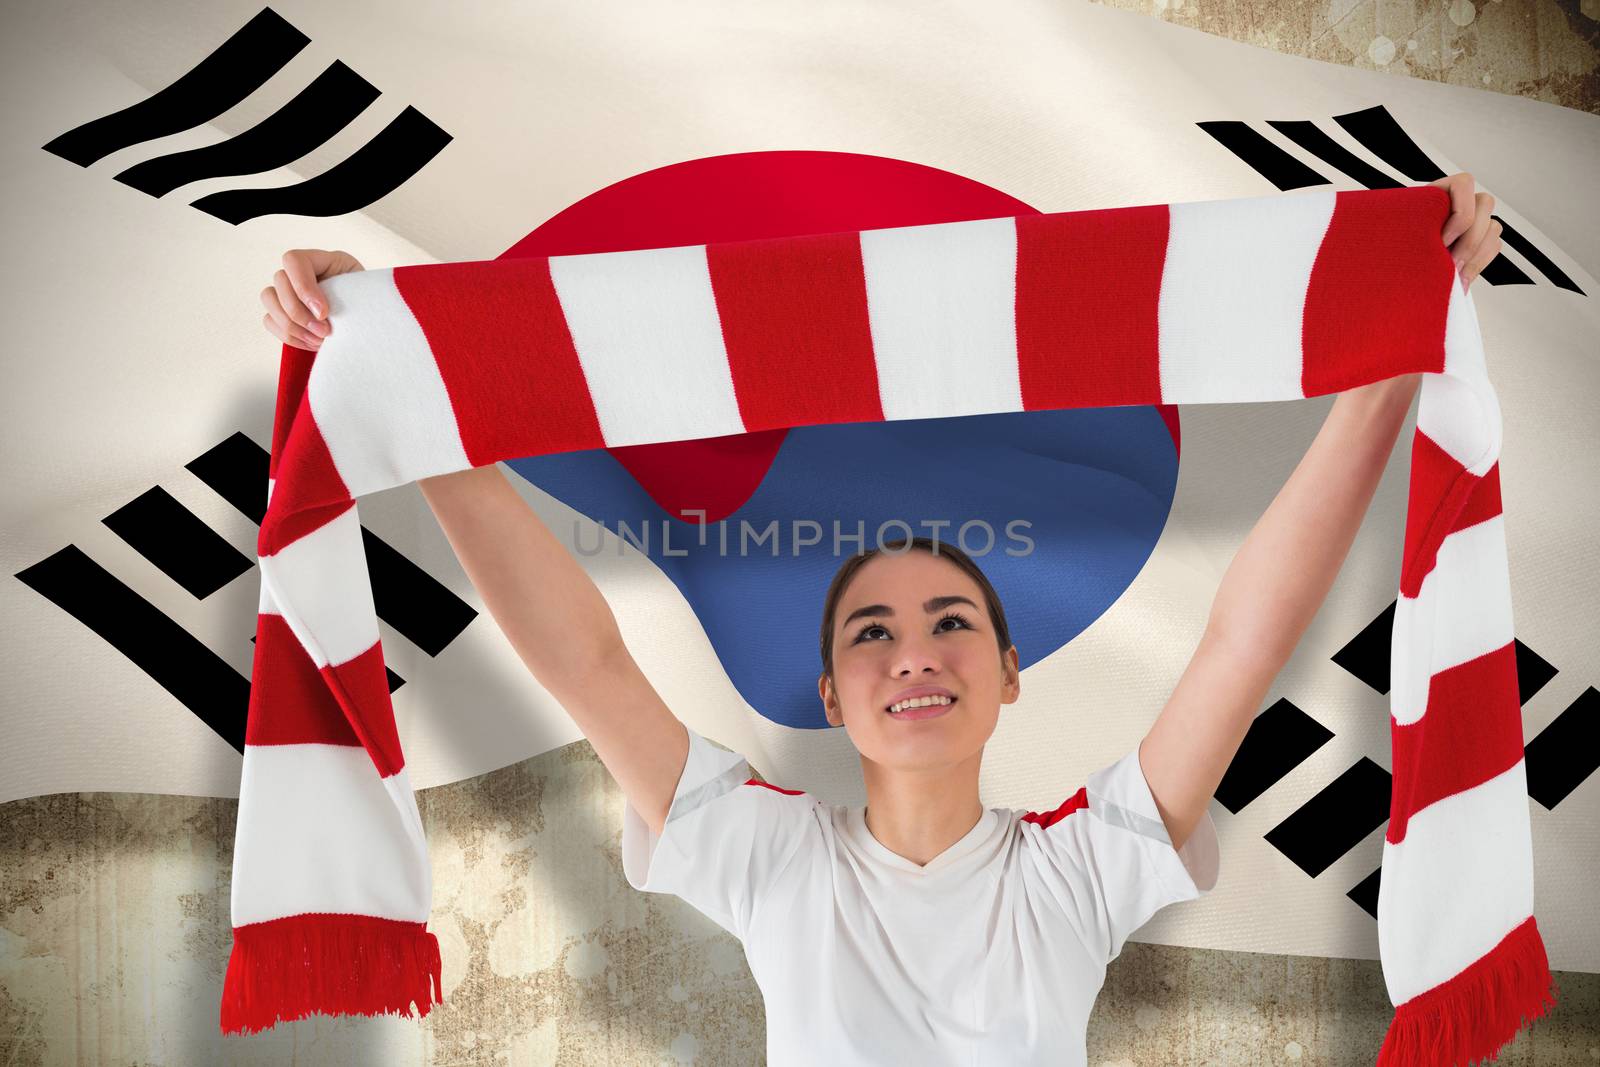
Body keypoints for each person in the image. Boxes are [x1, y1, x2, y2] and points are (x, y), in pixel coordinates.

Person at [258, 174, 1502, 1065]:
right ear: (832, 690)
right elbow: (584, 655)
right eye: (870, 633)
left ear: (1010, 673)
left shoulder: (1079, 866)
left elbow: (1241, 641)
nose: (914, 650)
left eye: (952, 620)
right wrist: (413, 402)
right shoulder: (772, 857)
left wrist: (1394, 345)